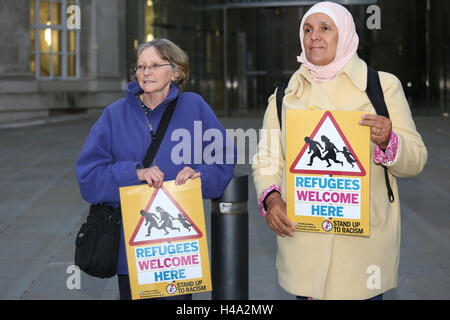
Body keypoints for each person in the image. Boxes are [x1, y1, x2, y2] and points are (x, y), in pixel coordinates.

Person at [252, 2, 427, 300]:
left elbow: (417, 158)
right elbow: (268, 159)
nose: (314, 37)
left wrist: (388, 141)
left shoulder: (382, 87)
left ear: (344, 34)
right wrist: (272, 198)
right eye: (307, 29)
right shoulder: (284, 95)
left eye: (325, 28)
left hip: (363, 247)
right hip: (304, 237)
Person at [76, 38, 235, 300]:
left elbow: (224, 156)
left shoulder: (195, 107)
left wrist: (200, 177)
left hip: (179, 252)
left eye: (154, 65)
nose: (145, 72)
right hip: (131, 251)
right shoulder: (114, 115)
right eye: (140, 67)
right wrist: (133, 174)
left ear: (176, 72)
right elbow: (88, 178)